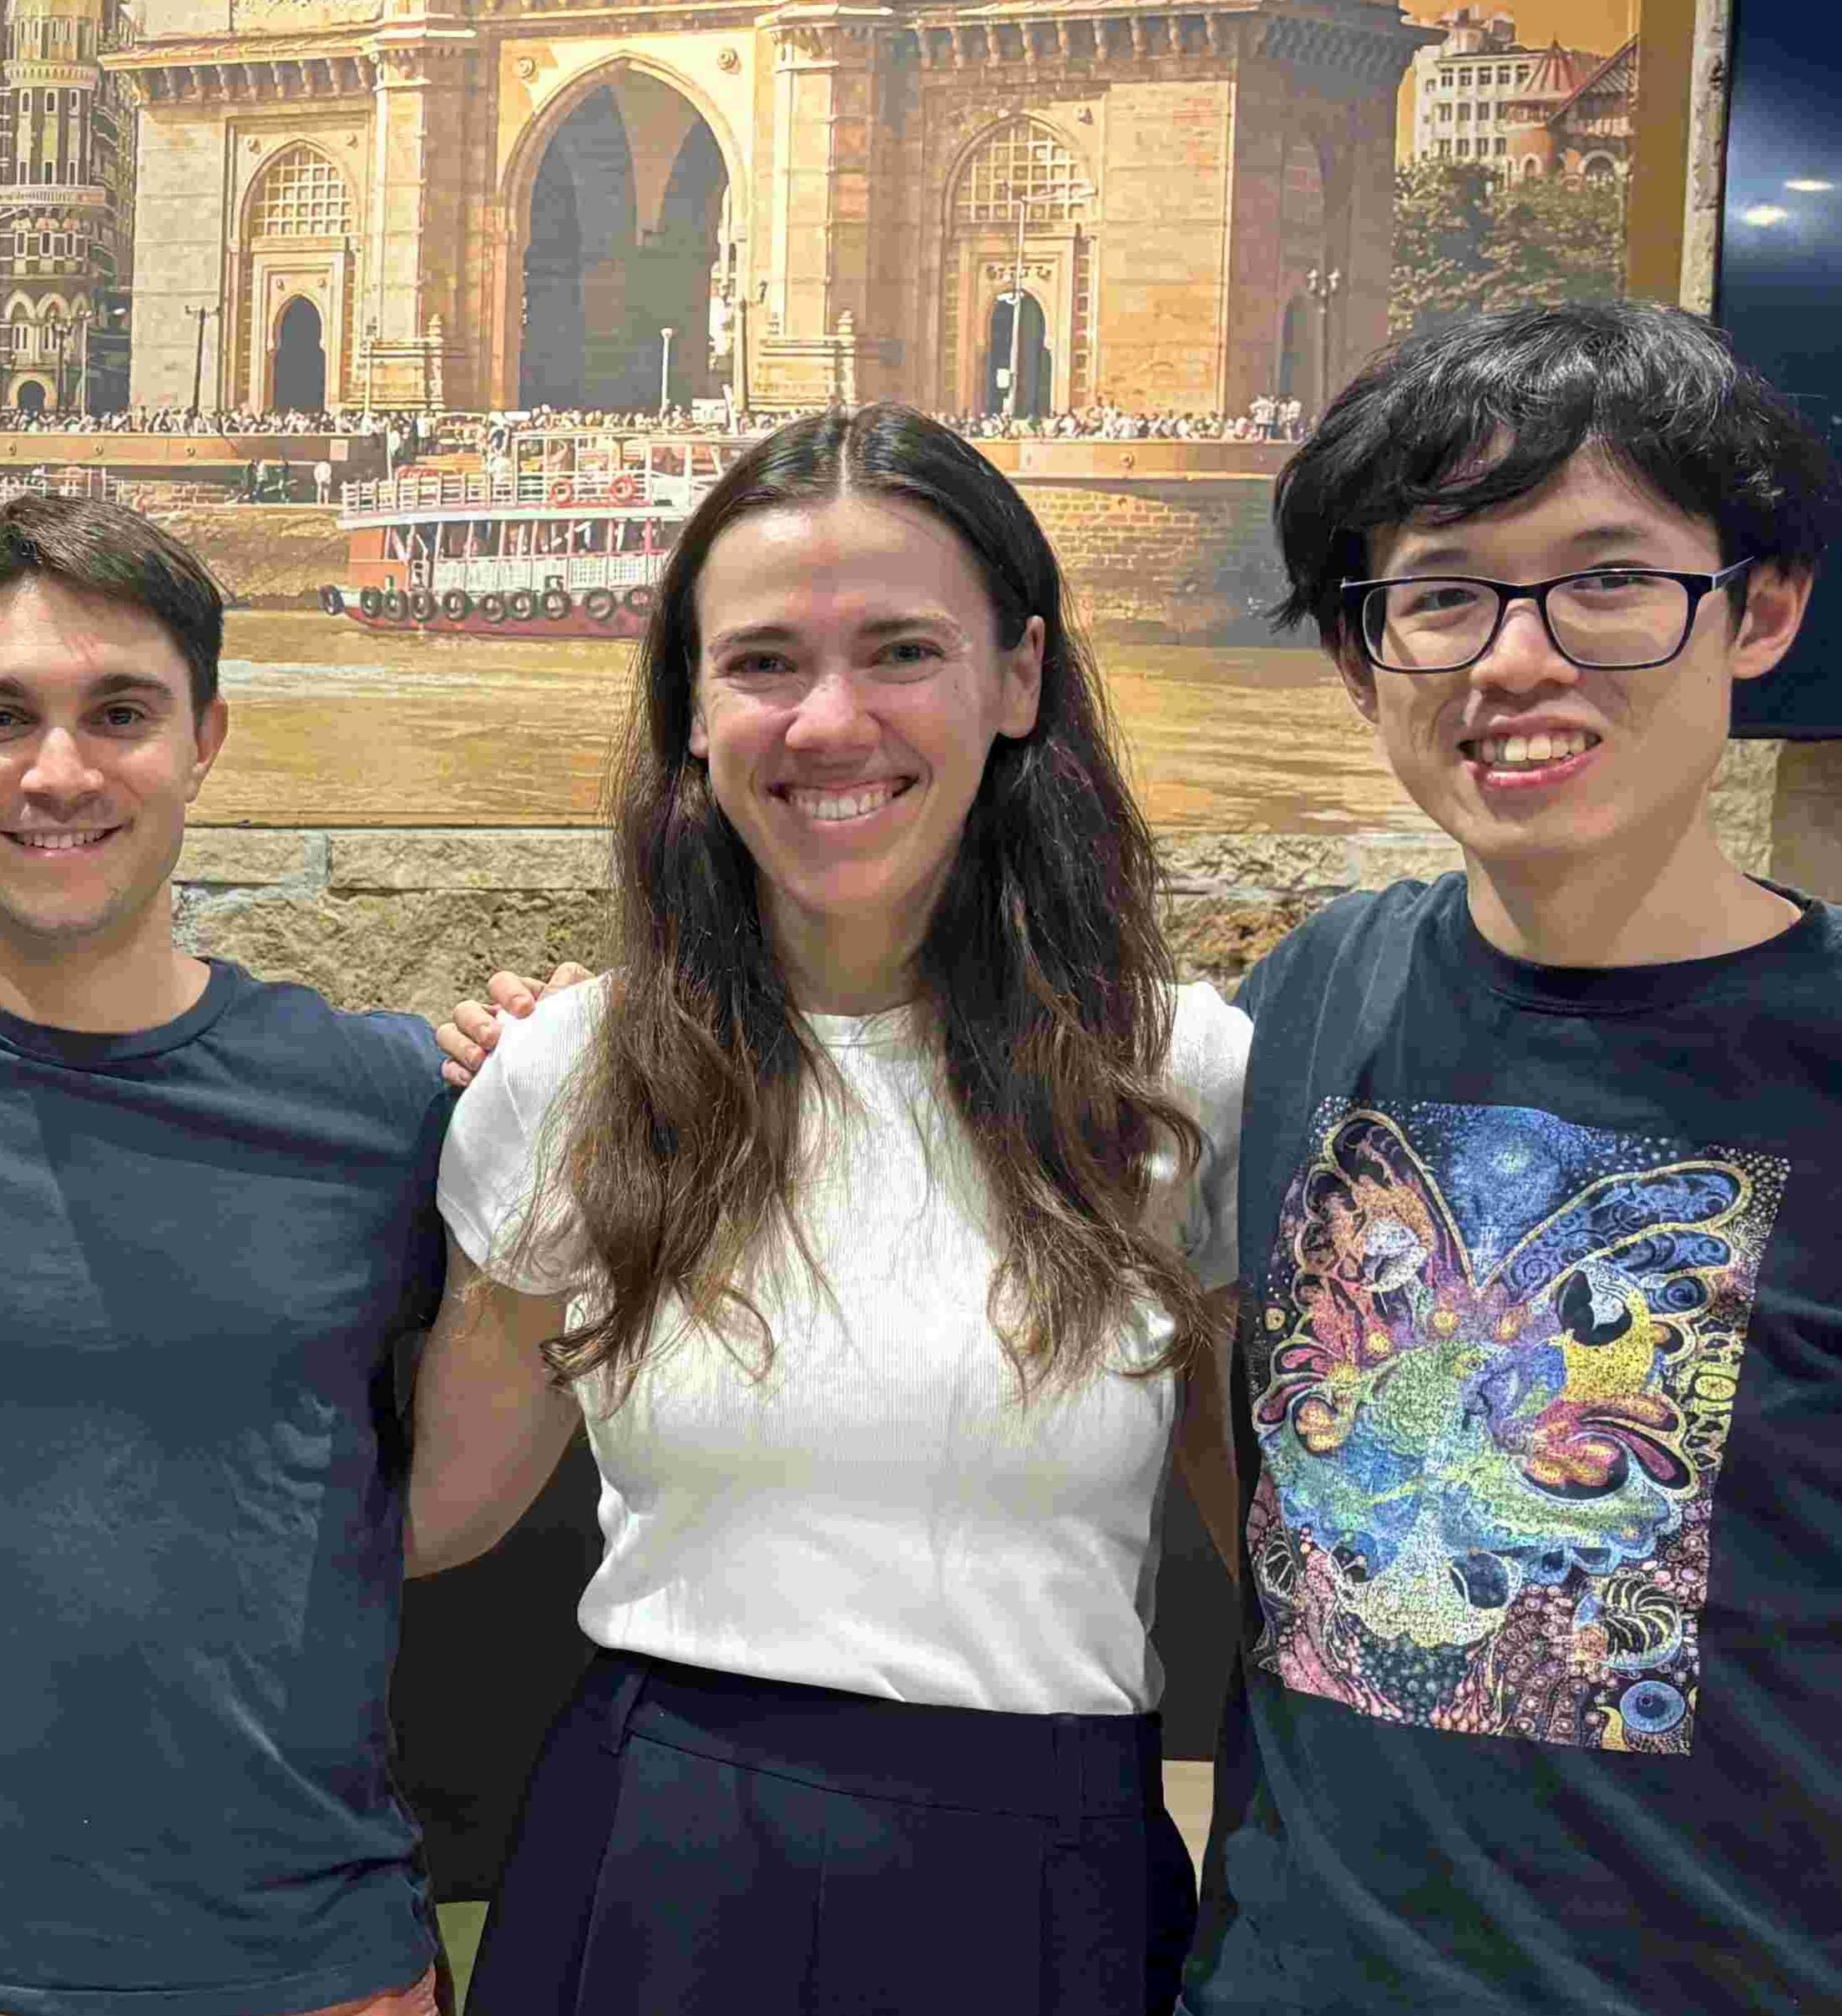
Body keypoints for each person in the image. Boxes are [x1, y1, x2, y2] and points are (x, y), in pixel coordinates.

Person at [411, 403, 1251, 2016]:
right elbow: (433, 1511)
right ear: (691, 714)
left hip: (1046, 1883)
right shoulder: (571, 1076)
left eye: (902, 650)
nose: (830, 721)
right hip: (660, 1866)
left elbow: (1287, 1565)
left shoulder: (1183, 1079)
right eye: (765, 663)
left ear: (1018, 677)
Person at [1177, 301, 1840, 2013]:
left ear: (1756, 608)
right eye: (1442, 592)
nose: (1515, 659)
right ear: (1359, 654)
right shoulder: (1313, 993)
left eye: (1606, 581)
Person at [0, 495, 454, 2016]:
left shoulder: (389, 1107)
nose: (59, 771)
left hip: (304, 1974)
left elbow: (448, 1496)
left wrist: (565, 1076)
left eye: (120, 712)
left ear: (206, 740)